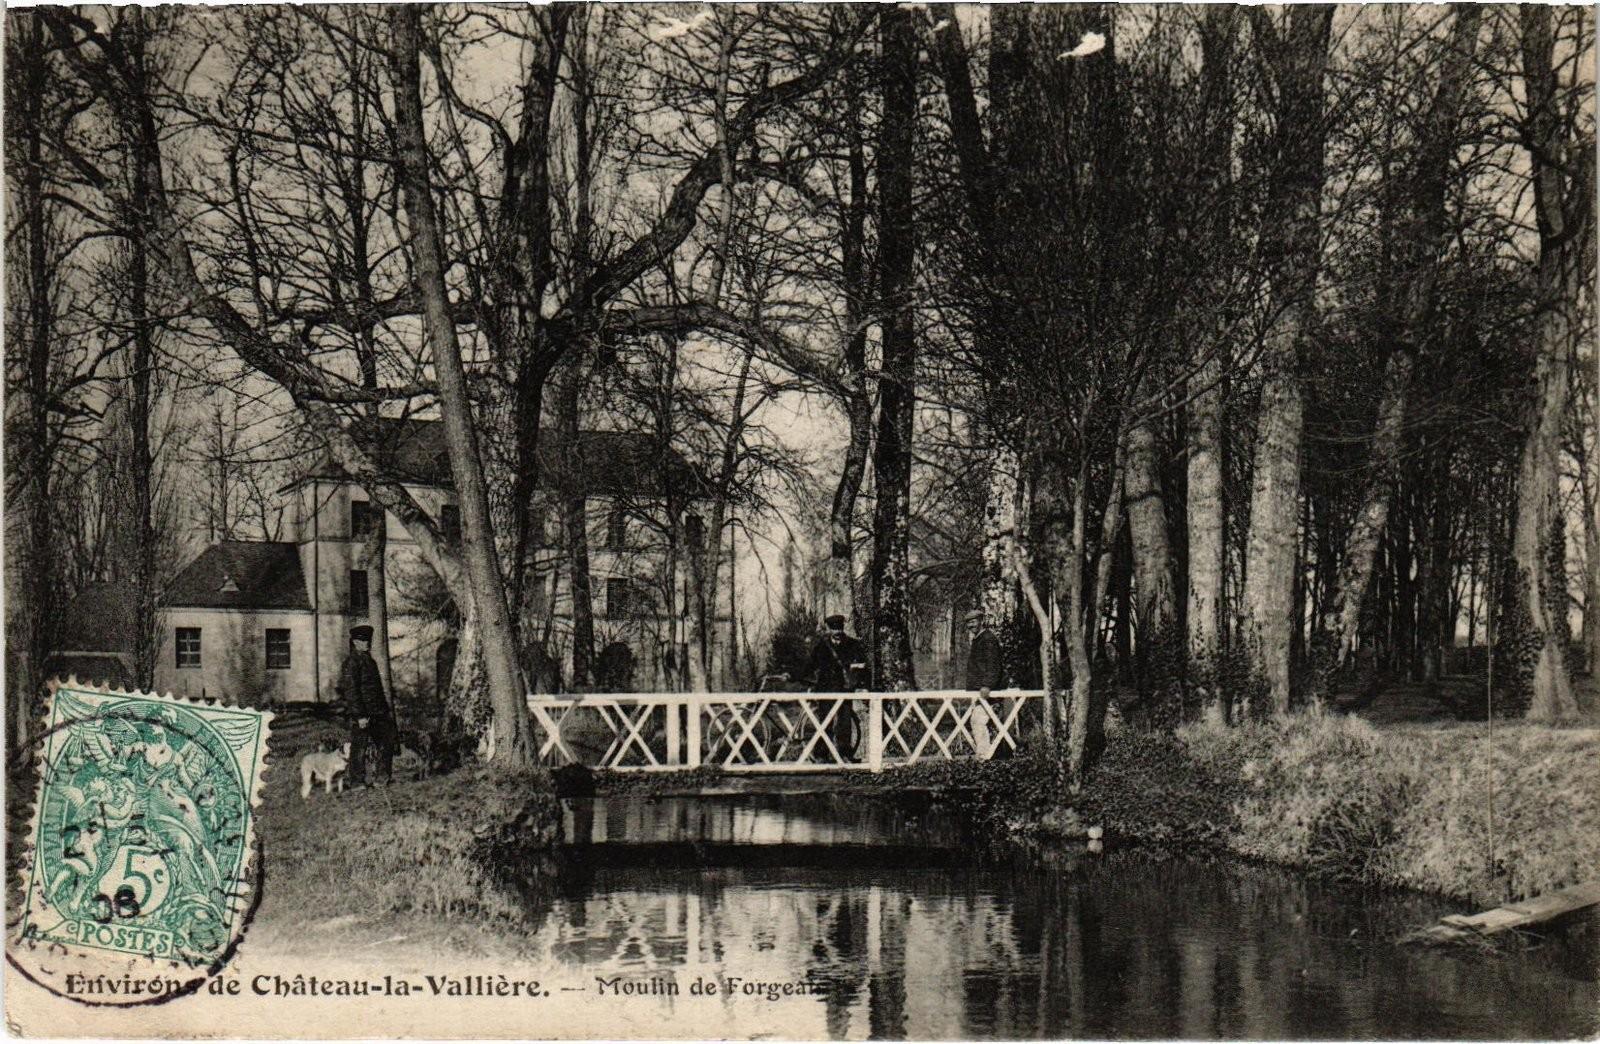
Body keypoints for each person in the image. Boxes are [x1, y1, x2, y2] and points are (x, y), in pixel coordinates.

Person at [335, 624, 397, 787]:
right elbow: (351, 692)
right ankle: (357, 782)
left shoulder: (370, 661)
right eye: (363, 640)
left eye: (368, 640)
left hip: (378, 712)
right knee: (359, 748)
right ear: (355, 642)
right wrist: (359, 715)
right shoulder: (351, 663)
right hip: (363, 714)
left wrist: (384, 710)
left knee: (386, 742)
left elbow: (376, 689)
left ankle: (382, 779)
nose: (367, 643)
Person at [806, 614, 870, 761]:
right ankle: (821, 755)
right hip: (825, 690)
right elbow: (810, 665)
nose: (837, 632)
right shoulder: (822, 646)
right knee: (824, 723)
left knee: (845, 723)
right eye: (834, 629)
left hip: (844, 689)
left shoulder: (853, 645)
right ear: (829, 629)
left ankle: (845, 754)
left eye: (839, 628)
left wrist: (864, 686)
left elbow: (863, 667)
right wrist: (793, 675)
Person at [965, 609, 1006, 758]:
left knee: (978, 721)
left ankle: (984, 757)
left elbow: (993, 665)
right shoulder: (978, 639)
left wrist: (987, 685)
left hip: (988, 692)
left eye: (973, 621)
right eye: (968, 623)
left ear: (981, 621)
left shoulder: (988, 639)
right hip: (979, 691)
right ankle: (990, 755)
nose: (970, 625)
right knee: (979, 721)